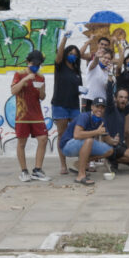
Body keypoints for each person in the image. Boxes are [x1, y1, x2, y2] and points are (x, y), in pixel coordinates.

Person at [11, 50, 51, 182]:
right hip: (22, 115)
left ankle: (37, 170)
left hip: (37, 114)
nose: (36, 67)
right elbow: (13, 91)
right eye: (34, 64)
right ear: (28, 62)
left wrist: (41, 89)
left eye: (38, 65)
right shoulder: (19, 74)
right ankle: (24, 171)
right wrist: (25, 80)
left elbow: (42, 97)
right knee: (22, 143)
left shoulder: (41, 77)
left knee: (43, 139)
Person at [58, 96, 114, 186]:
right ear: (92, 107)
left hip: (84, 143)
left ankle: (79, 164)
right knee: (89, 140)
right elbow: (77, 135)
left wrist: (114, 140)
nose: (100, 109)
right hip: (67, 146)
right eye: (97, 106)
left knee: (109, 150)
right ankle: (81, 176)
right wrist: (96, 132)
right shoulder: (84, 116)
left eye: (102, 107)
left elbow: (108, 139)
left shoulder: (102, 120)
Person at [52, 31, 82, 175]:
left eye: (75, 54)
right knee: (62, 134)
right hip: (60, 105)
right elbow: (59, 55)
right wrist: (64, 38)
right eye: (70, 53)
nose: (73, 56)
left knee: (80, 132)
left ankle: (81, 163)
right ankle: (63, 165)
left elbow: (78, 87)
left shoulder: (76, 70)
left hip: (74, 105)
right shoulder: (60, 66)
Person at [102, 78, 129, 171]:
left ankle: (113, 161)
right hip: (110, 146)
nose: (123, 99)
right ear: (116, 98)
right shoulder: (110, 109)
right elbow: (109, 96)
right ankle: (109, 158)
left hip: (120, 145)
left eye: (125, 98)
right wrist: (109, 82)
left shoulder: (124, 110)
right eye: (121, 97)